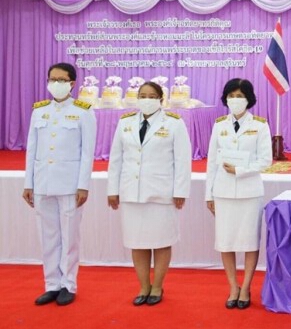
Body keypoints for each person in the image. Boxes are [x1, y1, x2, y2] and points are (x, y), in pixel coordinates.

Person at [106, 81, 192, 306]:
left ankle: (157, 286)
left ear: (161, 99)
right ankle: (144, 286)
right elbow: (116, 159)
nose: (146, 99)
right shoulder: (125, 123)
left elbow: (182, 160)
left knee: (161, 241)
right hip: (131, 193)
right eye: (142, 95)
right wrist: (112, 190)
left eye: (151, 96)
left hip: (161, 193)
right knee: (138, 242)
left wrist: (180, 190)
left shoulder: (174, 123)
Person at [23, 62, 96, 306]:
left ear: (72, 83)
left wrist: (83, 185)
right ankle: (51, 284)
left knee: (70, 237)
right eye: (52, 79)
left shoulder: (84, 111)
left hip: (69, 184)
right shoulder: (39, 111)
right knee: (48, 236)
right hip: (43, 182)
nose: (56, 83)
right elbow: (31, 149)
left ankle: (69, 284)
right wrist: (29, 183)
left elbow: (87, 152)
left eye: (62, 80)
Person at [205, 78, 272, 309]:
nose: (235, 100)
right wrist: (209, 194)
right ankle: (233, 286)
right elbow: (212, 162)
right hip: (223, 192)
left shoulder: (260, 125)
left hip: (249, 192)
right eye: (231, 96)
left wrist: (240, 170)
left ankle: (246, 287)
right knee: (226, 242)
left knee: (249, 241)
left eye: (240, 95)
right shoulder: (219, 125)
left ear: (249, 98)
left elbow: (266, 161)